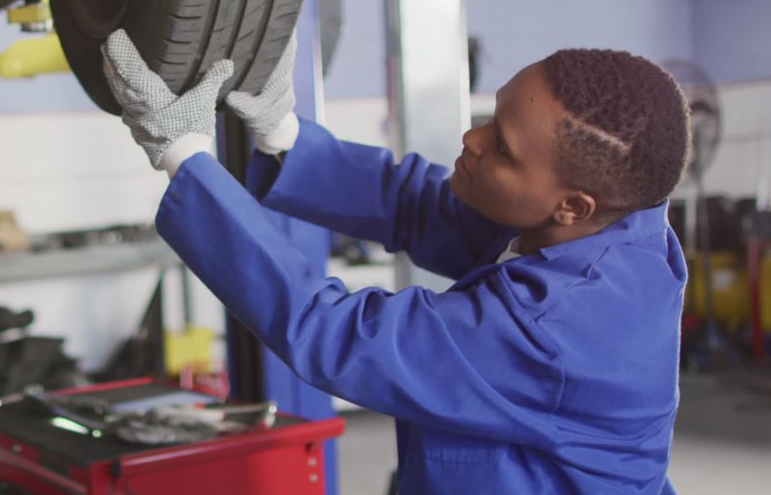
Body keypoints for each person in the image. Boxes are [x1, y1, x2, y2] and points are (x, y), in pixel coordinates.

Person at [101, 29, 691, 494]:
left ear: (571, 206)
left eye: (502, 149)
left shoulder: (564, 328)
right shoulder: (607, 215)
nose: (472, 138)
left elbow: (336, 332)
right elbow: (424, 207)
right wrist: (283, 135)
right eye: (491, 116)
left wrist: (184, 155)